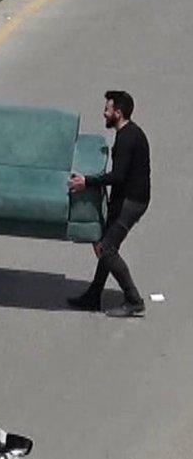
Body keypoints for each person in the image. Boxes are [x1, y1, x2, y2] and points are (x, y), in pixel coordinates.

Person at [68, 90, 151, 318]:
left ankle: (134, 300)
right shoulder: (129, 133)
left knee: (106, 248)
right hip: (126, 199)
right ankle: (94, 295)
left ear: (118, 112)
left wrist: (87, 181)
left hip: (132, 202)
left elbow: (118, 177)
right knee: (104, 245)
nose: (104, 113)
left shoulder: (127, 138)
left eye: (108, 109)